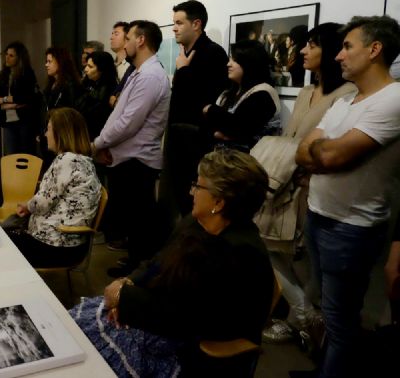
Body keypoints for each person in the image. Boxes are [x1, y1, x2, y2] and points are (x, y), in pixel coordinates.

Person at [70, 149, 274, 377]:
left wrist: (124, 299)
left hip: (187, 347)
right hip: (161, 317)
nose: (191, 191)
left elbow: (189, 316)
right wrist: (126, 282)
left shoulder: (239, 253)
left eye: (198, 186)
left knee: (84, 354)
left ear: (218, 201)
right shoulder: (198, 223)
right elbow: (159, 260)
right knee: (76, 330)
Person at [295, 15, 400, 378]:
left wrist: (320, 152)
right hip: (319, 214)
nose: (338, 56)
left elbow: (329, 155)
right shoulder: (347, 102)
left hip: (351, 227)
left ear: (375, 50)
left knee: (341, 323)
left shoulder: (394, 99)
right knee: (324, 307)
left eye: (347, 46)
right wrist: (320, 153)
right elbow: (303, 152)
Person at [252, 23, 357, 344]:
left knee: (306, 260)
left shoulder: (346, 96)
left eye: (312, 45)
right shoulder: (307, 92)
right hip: (285, 182)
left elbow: (329, 146)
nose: (303, 50)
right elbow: (292, 139)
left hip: (315, 186)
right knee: (271, 247)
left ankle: (309, 323)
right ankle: (303, 315)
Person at [92, 20, 170, 277]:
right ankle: (134, 264)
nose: (124, 44)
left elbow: (128, 123)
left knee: (140, 221)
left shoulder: (150, 76)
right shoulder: (139, 72)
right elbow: (119, 116)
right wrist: (105, 144)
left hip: (138, 160)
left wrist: (99, 144)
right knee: (134, 221)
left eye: (128, 38)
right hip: (126, 156)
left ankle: (138, 272)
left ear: (141, 41)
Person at [158, 0, 229, 244]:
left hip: (195, 143)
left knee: (193, 206)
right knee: (174, 202)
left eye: (179, 23)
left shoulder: (212, 53)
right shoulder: (185, 54)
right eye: (174, 23)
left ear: (196, 24)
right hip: (179, 139)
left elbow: (204, 101)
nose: (174, 29)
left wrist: (185, 71)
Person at [1, 107, 101, 268]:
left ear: (61, 133)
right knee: (4, 234)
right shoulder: (85, 162)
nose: (45, 135)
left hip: (54, 247)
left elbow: (42, 203)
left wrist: (27, 206)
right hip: (70, 246)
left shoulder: (66, 161)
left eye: (48, 129)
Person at [202, 39, 280, 151]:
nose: (228, 64)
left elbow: (240, 128)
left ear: (249, 63)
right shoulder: (228, 93)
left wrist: (210, 109)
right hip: (221, 161)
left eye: (235, 60)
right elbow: (206, 126)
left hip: (248, 163)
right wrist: (218, 133)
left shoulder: (263, 93)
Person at [0, 41, 39, 155]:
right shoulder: (2, 75)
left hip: (24, 121)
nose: (7, 58)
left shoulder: (27, 74)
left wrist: (4, 100)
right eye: (6, 54)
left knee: (26, 155)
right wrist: (15, 103)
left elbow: (26, 98)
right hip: (7, 122)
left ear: (19, 58)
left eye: (11, 55)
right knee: (11, 156)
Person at [76, 51, 117, 139]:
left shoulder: (110, 90)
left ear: (102, 69)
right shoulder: (87, 83)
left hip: (98, 136)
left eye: (90, 66)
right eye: (86, 65)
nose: (85, 69)